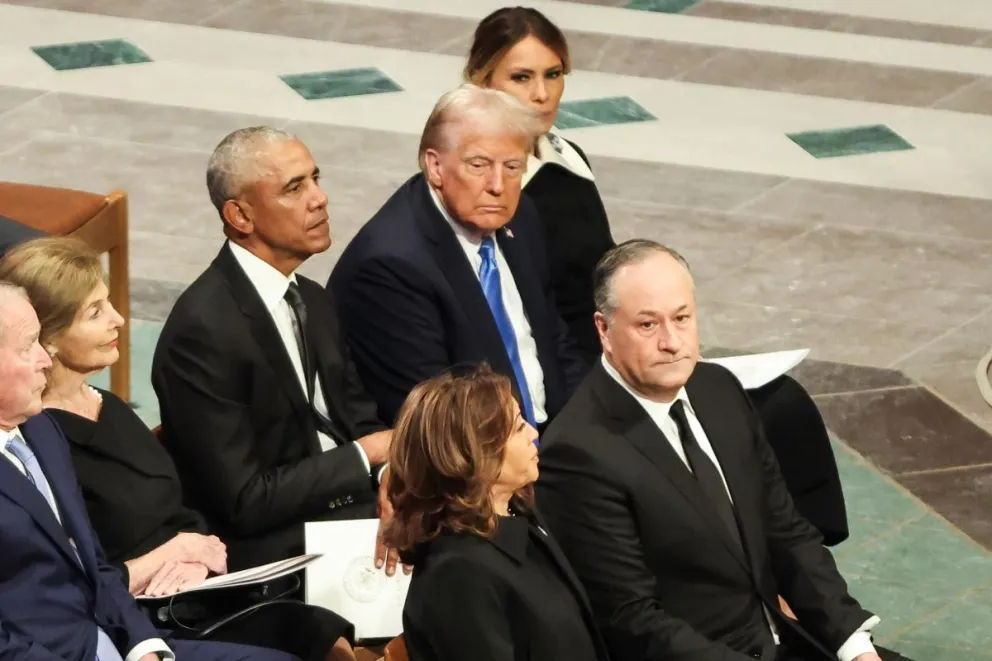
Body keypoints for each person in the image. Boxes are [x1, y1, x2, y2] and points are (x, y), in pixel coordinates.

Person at [465, 6, 848, 545]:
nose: (542, 94)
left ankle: (794, 567)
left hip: (621, 345)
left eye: (553, 75)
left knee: (782, 406)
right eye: (521, 77)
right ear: (483, 81)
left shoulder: (568, 157)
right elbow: (529, 320)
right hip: (576, 375)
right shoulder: (491, 188)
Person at [535, 240, 911, 661]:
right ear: (604, 329)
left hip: (787, 640)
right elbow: (632, 621)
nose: (672, 342)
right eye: (647, 325)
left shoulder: (718, 389)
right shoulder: (577, 452)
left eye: (682, 318)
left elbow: (785, 531)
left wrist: (855, 647)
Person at [0, 237, 359, 661]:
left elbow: (176, 499)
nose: (119, 320)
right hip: (149, 611)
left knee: (323, 628)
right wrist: (171, 557)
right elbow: (76, 575)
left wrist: (195, 550)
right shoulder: (43, 430)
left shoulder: (103, 406)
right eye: (95, 312)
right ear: (51, 337)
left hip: (195, 587)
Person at [152, 127, 394, 573]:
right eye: (295, 188)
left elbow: (360, 419)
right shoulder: (201, 333)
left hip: (349, 510)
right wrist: (367, 457)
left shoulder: (314, 299)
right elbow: (244, 501)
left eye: (315, 179)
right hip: (272, 550)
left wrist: (389, 478)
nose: (319, 198)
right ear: (240, 215)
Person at [328, 84, 587, 430]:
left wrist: (586, 435)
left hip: (553, 439)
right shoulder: (389, 266)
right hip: (478, 459)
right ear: (435, 166)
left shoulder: (519, 216)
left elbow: (554, 341)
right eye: (478, 165)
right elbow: (437, 422)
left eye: (513, 166)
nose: (498, 185)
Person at [384, 363, 610, 661]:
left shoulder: (519, 519)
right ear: (472, 454)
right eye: (517, 426)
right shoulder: (457, 578)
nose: (532, 433)